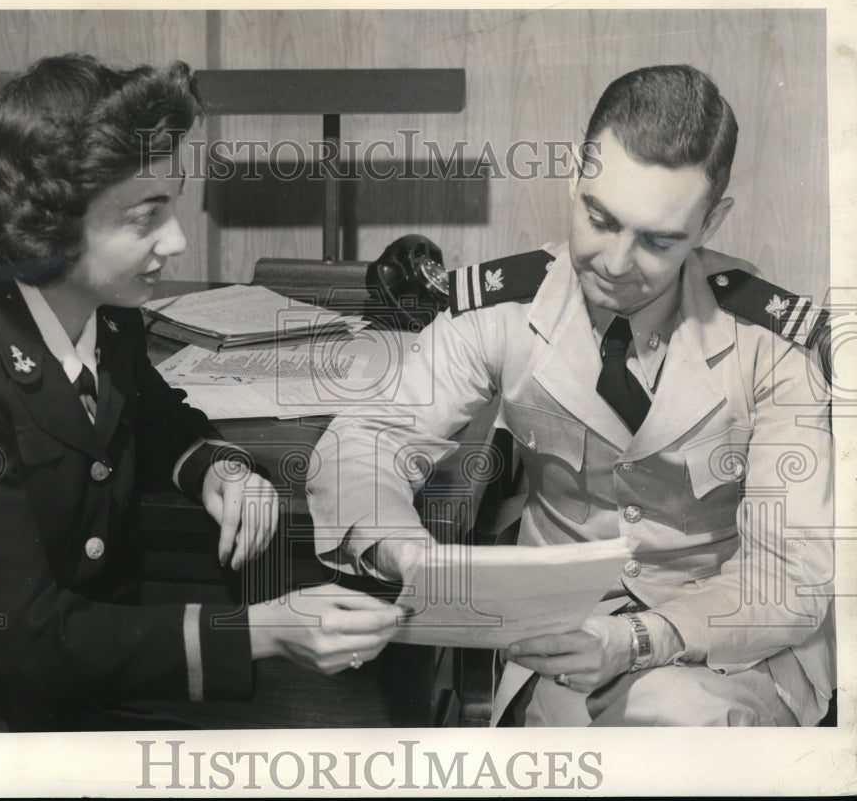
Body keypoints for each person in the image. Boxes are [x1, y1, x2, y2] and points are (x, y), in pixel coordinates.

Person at [0, 54, 402, 732]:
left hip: (84, 685)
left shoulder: (107, 314)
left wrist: (217, 466)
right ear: (51, 219)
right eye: (144, 216)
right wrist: (261, 631)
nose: (177, 240)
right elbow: (24, 645)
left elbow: (152, 418)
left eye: (172, 204)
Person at [307, 65, 835, 726]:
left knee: (676, 726)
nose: (615, 262)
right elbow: (364, 438)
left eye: (658, 240)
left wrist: (640, 639)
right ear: (574, 179)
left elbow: (790, 575)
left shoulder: (773, 342)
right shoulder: (504, 307)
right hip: (562, 636)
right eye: (599, 218)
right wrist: (402, 548)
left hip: (730, 643)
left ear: (710, 223)